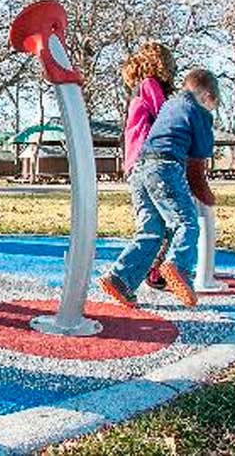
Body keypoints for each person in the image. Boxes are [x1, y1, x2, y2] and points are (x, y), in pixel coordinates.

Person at [99, 68, 219, 308]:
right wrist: (205, 194)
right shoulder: (200, 113)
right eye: (213, 104)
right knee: (186, 223)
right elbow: (196, 165)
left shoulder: (169, 106)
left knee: (151, 231)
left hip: (139, 170)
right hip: (165, 168)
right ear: (207, 97)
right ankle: (179, 267)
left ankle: (120, 278)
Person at [120, 43, 215, 290]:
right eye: (171, 65)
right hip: (155, 159)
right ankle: (173, 267)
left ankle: (125, 278)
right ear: (160, 64)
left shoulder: (136, 90)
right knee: (181, 220)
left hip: (136, 165)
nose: (173, 70)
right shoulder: (150, 85)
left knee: (152, 227)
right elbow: (166, 118)